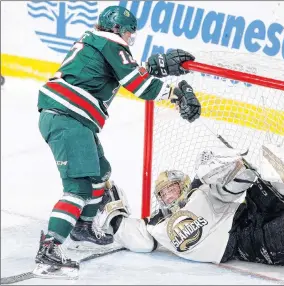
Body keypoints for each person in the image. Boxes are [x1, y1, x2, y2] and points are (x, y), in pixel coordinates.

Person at [35, 5, 201, 275]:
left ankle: (83, 226)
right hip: (68, 120)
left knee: (101, 173)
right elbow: (139, 85)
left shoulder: (96, 41)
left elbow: (117, 72)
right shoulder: (112, 43)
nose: (128, 39)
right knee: (77, 188)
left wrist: (149, 67)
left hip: (68, 118)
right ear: (116, 30)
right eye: (127, 34)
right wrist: (176, 93)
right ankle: (49, 250)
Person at [94, 144, 284, 267]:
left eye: (172, 188)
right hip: (242, 244)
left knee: (271, 182)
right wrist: (115, 215)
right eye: (164, 193)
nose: (170, 196)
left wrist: (241, 169)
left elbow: (229, 189)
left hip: (246, 213)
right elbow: (140, 239)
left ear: (182, 185)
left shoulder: (198, 190)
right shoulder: (157, 225)